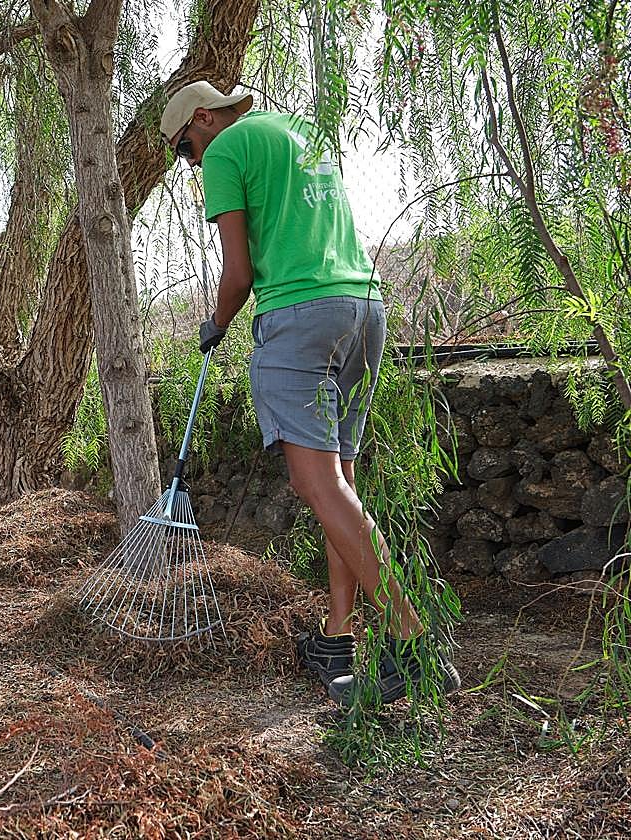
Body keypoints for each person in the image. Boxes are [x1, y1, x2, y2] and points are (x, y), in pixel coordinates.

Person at [159, 81, 459, 706]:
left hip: (300, 318)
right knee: (338, 487)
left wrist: (215, 325)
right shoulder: (301, 131)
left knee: (315, 484)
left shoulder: (225, 151)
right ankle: (338, 639)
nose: (190, 161)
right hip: (363, 310)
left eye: (185, 147)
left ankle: (414, 637)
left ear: (204, 119)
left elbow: (238, 273)